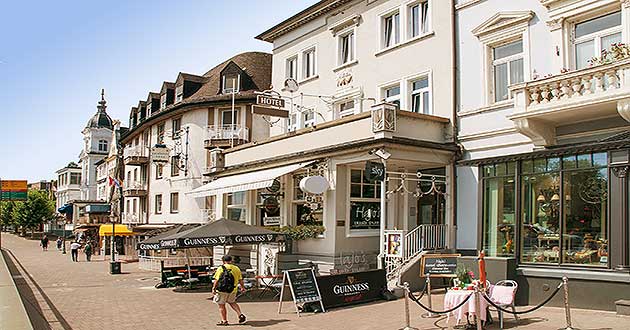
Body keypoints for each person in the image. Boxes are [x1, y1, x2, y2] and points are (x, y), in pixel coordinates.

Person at [212, 255, 246, 326]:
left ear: (223, 261)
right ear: (231, 260)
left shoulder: (220, 268)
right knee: (232, 302)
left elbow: (216, 280)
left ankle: (224, 320)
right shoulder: (236, 268)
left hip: (222, 290)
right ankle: (240, 314)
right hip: (232, 290)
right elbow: (240, 280)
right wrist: (242, 287)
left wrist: (214, 288)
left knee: (221, 305)